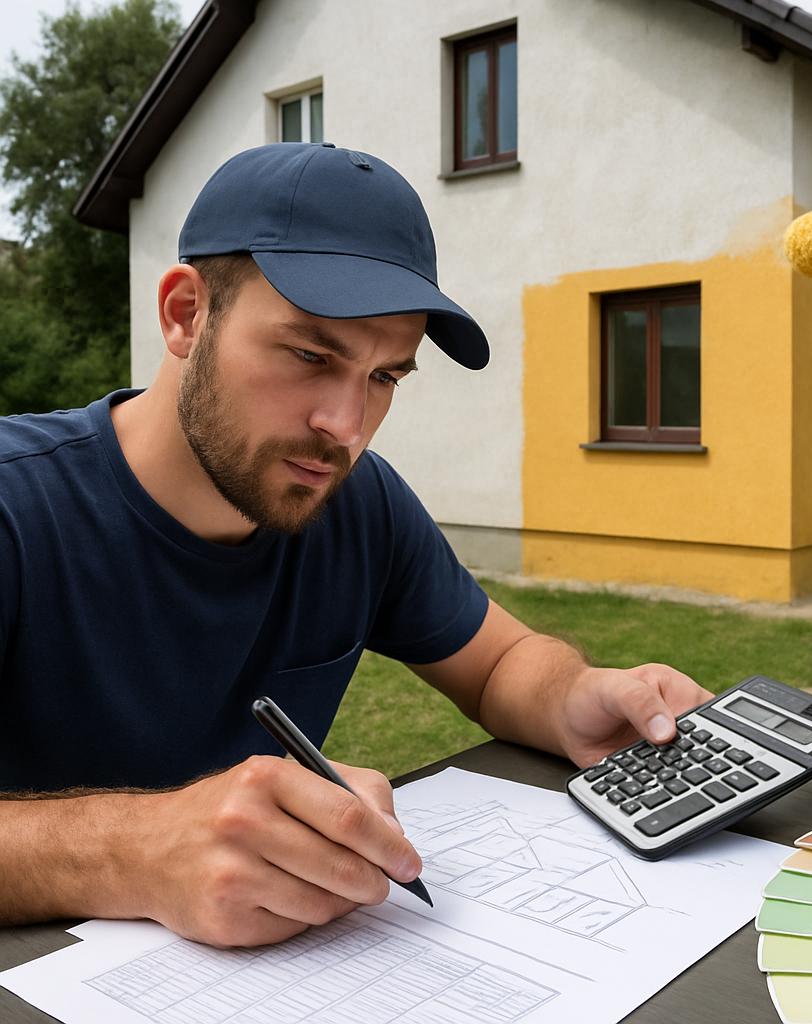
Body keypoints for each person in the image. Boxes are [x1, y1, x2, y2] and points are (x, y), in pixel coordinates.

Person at [0, 143, 711, 948]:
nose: (346, 427)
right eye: (311, 355)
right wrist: (136, 849)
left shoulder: (352, 503)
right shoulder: (17, 507)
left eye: (384, 379)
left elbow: (500, 662)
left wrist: (573, 695)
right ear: (186, 315)